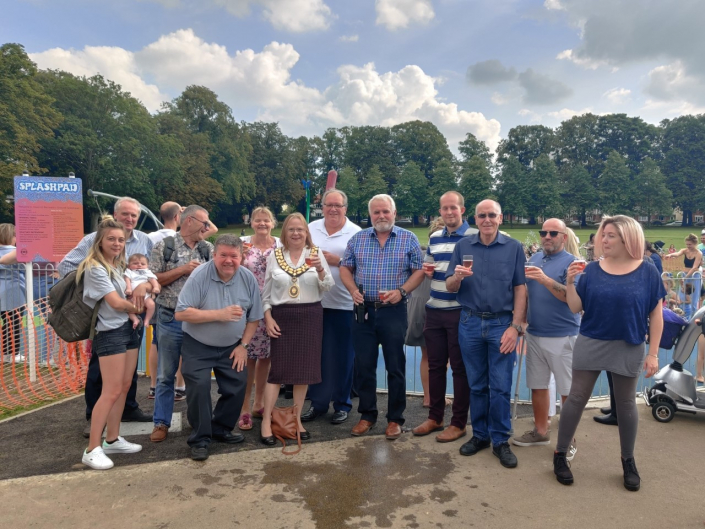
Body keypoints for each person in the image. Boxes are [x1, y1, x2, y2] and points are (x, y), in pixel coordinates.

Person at [553, 215, 665, 492]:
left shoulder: (647, 270)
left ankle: (628, 461)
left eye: (611, 235)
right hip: (592, 340)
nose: (603, 240)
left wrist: (653, 354)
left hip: (629, 343)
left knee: (626, 404)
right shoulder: (591, 270)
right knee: (576, 397)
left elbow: (656, 313)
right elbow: (575, 307)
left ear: (628, 238)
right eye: (603, 235)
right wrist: (569, 282)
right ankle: (560, 454)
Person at [59, 197, 154, 434]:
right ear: (115, 214)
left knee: (126, 374)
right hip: (110, 317)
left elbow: (150, 270)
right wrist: (94, 289)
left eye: (134, 215)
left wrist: (145, 286)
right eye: (125, 215)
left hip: (131, 317)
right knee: (100, 371)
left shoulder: (143, 240)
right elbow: (66, 265)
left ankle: (127, 411)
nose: (130, 219)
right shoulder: (94, 241)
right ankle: (95, 418)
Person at [445, 199, 526, 469]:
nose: (487, 219)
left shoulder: (513, 247)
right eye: (482, 215)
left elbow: (520, 289)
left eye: (492, 215)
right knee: (477, 385)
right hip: (469, 322)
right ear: (476, 218)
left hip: (502, 324)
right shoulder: (463, 246)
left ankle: (500, 440)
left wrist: (516, 327)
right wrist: (457, 277)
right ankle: (480, 435)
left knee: (500, 386)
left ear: (500, 218)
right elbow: (449, 286)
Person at [340, 194, 425, 440]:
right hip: (363, 310)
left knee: (395, 366)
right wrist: (352, 290)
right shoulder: (358, 239)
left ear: (394, 213)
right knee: (364, 366)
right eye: (376, 212)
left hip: (393, 310)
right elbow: (345, 267)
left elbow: (418, 271)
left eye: (385, 211)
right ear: (370, 215)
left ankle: (395, 419)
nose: (381, 216)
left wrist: (402, 291)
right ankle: (367, 415)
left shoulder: (408, 239)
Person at [175, 234, 262, 461]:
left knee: (237, 385)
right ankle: (200, 438)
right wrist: (219, 314)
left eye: (234, 256)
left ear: (241, 257)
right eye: (223, 255)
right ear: (214, 256)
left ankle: (221, 428)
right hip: (198, 344)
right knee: (199, 387)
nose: (228, 260)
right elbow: (181, 312)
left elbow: (254, 318)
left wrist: (243, 345)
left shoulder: (247, 278)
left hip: (232, 346)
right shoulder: (199, 275)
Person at [259, 213, 333, 445]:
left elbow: (327, 287)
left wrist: (321, 269)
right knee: (277, 372)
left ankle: (296, 420)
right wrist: (268, 317)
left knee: (303, 372)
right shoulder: (275, 255)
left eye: (300, 229)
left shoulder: (315, 254)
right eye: (291, 229)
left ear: (306, 232)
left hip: (310, 315)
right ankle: (266, 422)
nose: (296, 233)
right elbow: (266, 292)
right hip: (282, 317)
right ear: (285, 232)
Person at [79, 217, 144, 470]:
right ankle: (92, 448)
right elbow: (116, 303)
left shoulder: (116, 266)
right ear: (100, 241)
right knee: (111, 390)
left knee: (124, 386)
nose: (117, 243)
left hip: (127, 329)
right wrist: (138, 306)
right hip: (110, 332)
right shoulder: (95, 268)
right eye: (111, 239)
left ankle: (112, 438)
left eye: (120, 239)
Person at [511, 219, 579, 461]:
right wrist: (519, 322)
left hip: (563, 335)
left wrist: (545, 280)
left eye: (553, 233)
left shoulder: (573, 263)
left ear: (563, 236)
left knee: (567, 392)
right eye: (543, 232)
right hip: (535, 333)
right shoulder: (535, 259)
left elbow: (573, 300)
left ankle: (568, 440)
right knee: (537, 385)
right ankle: (541, 431)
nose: (547, 236)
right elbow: (526, 294)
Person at [411, 192, 476, 443]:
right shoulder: (435, 237)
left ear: (462, 209)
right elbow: (429, 267)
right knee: (436, 366)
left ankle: (458, 422)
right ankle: (435, 417)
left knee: (460, 369)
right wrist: (429, 271)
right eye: (444, 209)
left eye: (453, 208)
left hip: (460, 311)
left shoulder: (473, 237)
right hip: (434, 309)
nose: (448, 212)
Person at [149, 205, 214, 443]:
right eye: (204, 223)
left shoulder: (208, 249)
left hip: (198, 320)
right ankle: (161, 422)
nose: (207, 228)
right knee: (166, 374)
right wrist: (183, 269)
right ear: (189, 221)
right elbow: (154, 279)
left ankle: (198, 421)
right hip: (170, 316)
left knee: (198, 375)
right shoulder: (164, 247)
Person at [302, 189, 362, 425]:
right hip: (313, 302)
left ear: (345, 208)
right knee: (317, 356)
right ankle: (317, 403)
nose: (333, 209)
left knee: (344, 357)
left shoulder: (356, 233)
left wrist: (338, 261)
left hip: (345, 303)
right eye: (329, 205)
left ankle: (342, 404)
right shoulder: (311, 228)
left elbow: (364, 266)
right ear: (323, 207)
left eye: (338, 205)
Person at [237, 206, 281, 430]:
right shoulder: (243, 243)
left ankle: (259, 403)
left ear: (272, 222)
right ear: (251, 222)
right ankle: (243, 407)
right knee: (248, 358)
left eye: (266, 220)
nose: (262, 224)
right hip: (248, 307)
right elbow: (229, 269)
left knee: (267, 357)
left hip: (273, 307)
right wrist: (241, 258)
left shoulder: (280, 245)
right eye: (258, 220)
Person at [406, 218, 444, 409]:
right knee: (441, 357)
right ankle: (436, 397)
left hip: (417, 306)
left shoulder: (420, 253)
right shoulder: (449, 253)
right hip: (435, 306)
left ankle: (429, 397)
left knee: (427, 355)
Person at [146, 201, 183, 398]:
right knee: (182, 344)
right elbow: (211, 228)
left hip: (155, 297)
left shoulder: (150, 237)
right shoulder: (175, 238)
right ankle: (180, 385)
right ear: (178, 216)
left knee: (157, 342)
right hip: (170, 300)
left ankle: (153, 384)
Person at [0, 224, 26, 362]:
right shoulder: (17, 252)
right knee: (15, 323)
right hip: (15, 292)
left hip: (1, 292)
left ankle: (5, 353)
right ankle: (15, 354)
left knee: (5, 324)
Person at [124, 254, 160, 330]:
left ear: (147, 266)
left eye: (143, 264)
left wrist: (156, 287)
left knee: (152, 305)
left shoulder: (147, 272)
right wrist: (129, 289)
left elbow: (153, 280)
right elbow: (127, 280)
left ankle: (147, 320)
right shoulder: (129, 272)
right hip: (132, 297)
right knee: (129, 309)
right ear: (129, 266)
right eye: (135, 263)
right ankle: (135, 319)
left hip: (146, 296)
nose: (139, 265)